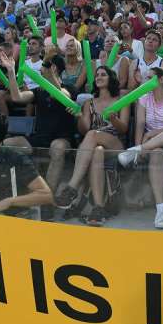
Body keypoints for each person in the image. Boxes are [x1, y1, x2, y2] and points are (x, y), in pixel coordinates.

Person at [117, 67, 163, 229]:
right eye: (146, 77)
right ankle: (161, 210)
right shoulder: (144, 99)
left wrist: (152, 134)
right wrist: (140, 145)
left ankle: (140, 149)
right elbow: (140, 124)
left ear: (161, 80)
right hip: (153, 148)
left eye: (150, 77)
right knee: (157, 152)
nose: (146, 80)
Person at [55, 66, 130, 226]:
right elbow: (84, 129)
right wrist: (80, 116)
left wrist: (113, 119)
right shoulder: (89, 102)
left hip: (115, 142)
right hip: (94, 144)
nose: (99, 77)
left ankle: (72, 187)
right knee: (97, 151)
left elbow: (124, 128)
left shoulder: (121, 99)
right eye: (97, 75)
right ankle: (98, 207)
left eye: (103, 74)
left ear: (111, 78)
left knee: (92, 135)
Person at [0, 52, 76, 194]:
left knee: (57, 148)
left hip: (61, 139)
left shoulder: (69, 89)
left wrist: (51, 76)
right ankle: (13, 190)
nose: (40, 69)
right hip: (39, 139)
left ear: (53, 69)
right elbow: (17, 97)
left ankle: (47, 198)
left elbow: (63, 96)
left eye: (44, 66)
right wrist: (10, 71)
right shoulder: (38, 91)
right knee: (7, 144)